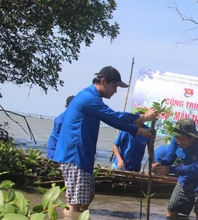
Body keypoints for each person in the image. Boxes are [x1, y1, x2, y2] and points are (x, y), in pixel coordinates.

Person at [53, 66, 157, 212]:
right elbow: (114, 116)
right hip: (74, 155)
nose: (115, 91)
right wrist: (143, 117)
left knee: (88, 196)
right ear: (103, 81)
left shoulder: (92, 98)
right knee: (74, 204)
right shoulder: (89, 98)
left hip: (82, 156)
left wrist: (139, 130)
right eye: (114, 86)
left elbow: (113, 121)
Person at [151, 118, 198, 220]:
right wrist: (160, 164)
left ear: (192, 138)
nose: (179, 142)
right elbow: (170, 157)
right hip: (186, 177)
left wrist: (170, 170)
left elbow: (196, 168)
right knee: (171, 211)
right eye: (177, 139)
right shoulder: (176, 140)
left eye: (182, 139)